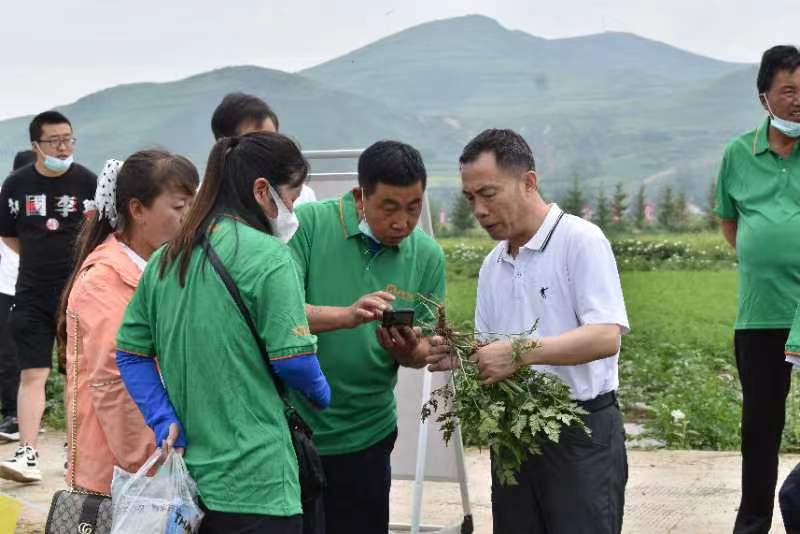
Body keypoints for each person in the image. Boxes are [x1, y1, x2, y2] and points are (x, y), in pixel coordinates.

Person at [116, 132, 330, 534]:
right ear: (262, 191)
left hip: (192, 490)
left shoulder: (167, 258)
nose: (292, 209)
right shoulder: (270, 258)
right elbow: (295, 361)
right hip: (260, 483)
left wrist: (163, 418)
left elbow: (130, 353)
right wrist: (322, 393)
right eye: (292, 196)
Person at [432, 128, 629, 533]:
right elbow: (492, 347)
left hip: (580, 432)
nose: (480, 210)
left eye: (489, 194)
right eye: (471, 199)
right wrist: (460, 356)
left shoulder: (580, 241)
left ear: (529, 182)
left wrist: (520, 351)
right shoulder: (494, 264)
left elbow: (606, 335)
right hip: (515, 434)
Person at [287, 140, 449, 534]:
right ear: (360, 196)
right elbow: (279, 316)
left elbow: (425, 345)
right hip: (294, 432)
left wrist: (413, 349)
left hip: (368, 435)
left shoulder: (427, 255)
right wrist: (345, 316)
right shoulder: (306, 227)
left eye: (413, 208)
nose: (402, 222)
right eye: (389, 207)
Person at [53, 150, 199, 495]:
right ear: (137, 210)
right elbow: (116, 383)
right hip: (124, 471)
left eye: (194, 205)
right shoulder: (104, 280)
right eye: (179, 208)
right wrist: (154, 463)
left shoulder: (159, 266)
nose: (190, 217)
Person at [714, 45, 800, 533]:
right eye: (788, 89)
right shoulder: (737, 154)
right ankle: (752, 525)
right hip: (760, 315)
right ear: (764, 96)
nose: (798, 100)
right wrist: (766, 250)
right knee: (760, 431)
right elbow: (731, 224)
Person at [0, 112, 97, 482]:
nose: (63, 147)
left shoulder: (86, 181)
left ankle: (77, 453)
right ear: (36, 146)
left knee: (76, 375)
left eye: (68, 139)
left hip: (76, 293)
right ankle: (28, 453)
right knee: (33, 374)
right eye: (55, 141)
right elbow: (9, 235)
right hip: (31, 293)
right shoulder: (16, 185)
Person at [211, 92, 316, 205]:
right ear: (225, 147)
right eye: (256, 143)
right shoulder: (205, 203)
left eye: (272, 140)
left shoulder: (302, 197)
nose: (268, 149)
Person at [0, 150, 34, 442]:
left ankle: (15, 415)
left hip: (19, 286)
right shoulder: (9, 204)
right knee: (7, 353)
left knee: (12, 353)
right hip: (7, 284)